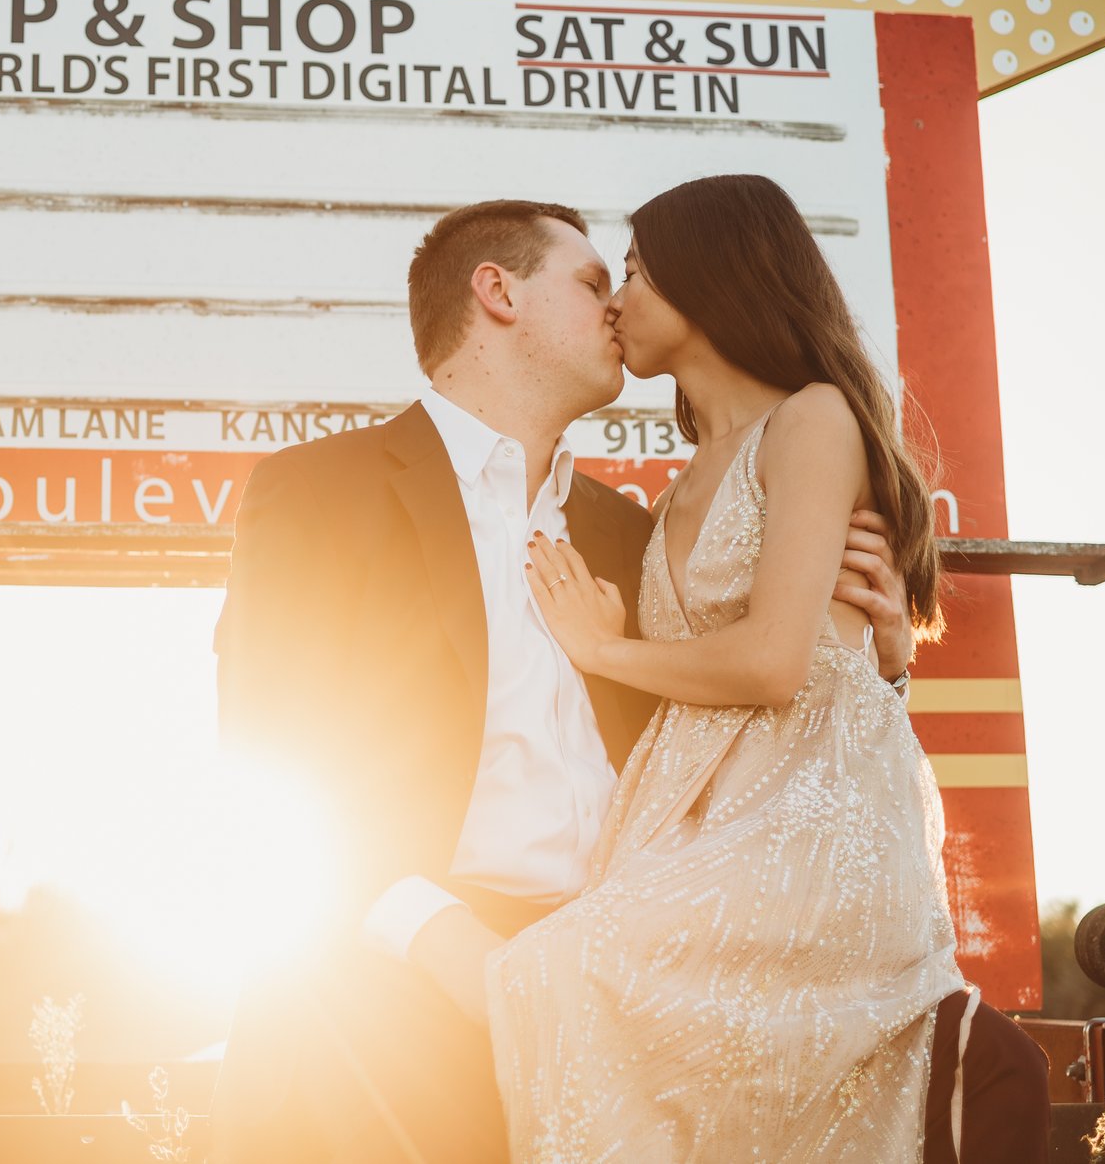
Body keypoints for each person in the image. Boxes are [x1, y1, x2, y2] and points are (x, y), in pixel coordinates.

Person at [210, 198, 918, 1164]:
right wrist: (452, 951)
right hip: (388, 1001)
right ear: (497, 292)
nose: (617, 306)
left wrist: (876, 661)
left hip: (629, 1007)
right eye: (594, 282)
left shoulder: (642, 536)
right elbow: (268, 751)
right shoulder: (318, 490)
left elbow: (749, 722)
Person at [490, 173, 1047, 1163]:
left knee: (559, 969)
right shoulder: (675, 487)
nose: (617, 299)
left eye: (636, 271)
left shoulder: (813, 420)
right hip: (697, 813)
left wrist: (605, 647)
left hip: (807, 810)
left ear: (710, 282)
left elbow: (775, 662)